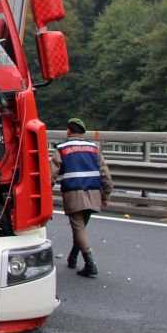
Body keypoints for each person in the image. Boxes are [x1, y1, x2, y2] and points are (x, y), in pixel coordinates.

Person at [52, 118, 113, 278]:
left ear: (68, 131)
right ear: (83, 132)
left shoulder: (62, 148)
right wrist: (106, 194)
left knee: (78, 228)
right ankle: (73, 258)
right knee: (81, 228)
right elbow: (105, 173)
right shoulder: (94, 148)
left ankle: (90, 264)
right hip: (94, 193)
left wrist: (46, 191)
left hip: (73, 193)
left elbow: (52, 173)